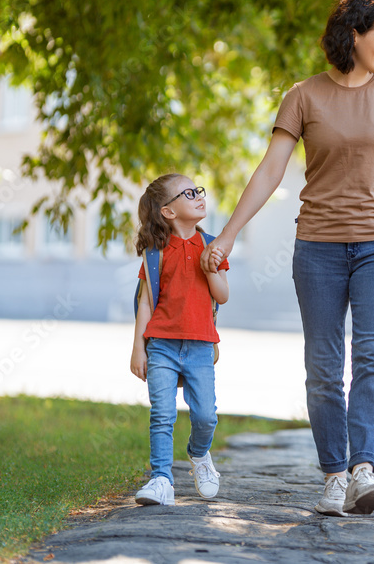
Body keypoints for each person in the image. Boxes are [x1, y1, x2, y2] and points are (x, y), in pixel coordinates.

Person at [202, 0, 374, 517]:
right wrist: (228, 233)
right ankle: (333, 474)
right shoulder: (303, 96)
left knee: (372, 356)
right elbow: (271, 169)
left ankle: (364, 469)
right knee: (323, 366)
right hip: (317, 248)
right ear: (354, 35)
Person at [130, 174, 230, 506]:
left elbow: (223, 296)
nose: (199, 196)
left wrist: (212, 266)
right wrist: (137, 348)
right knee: (162, 413)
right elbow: (146, 301)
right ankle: (161, 479)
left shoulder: (212, 245)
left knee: (205, 416)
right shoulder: (155, 253)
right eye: (188, 193)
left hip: (200, 345)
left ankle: (199, 455)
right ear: (168, 212)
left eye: (198, 190)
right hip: (162, 344)